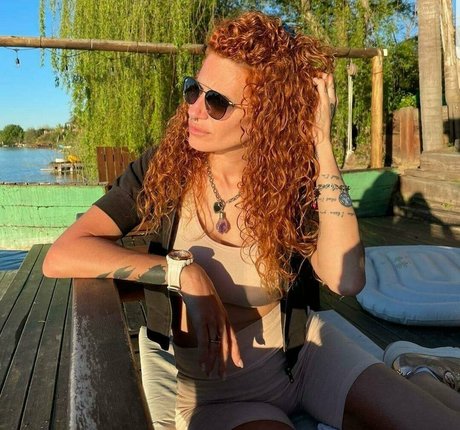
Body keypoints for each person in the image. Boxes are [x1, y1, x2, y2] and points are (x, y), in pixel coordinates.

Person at [43, 11, 460, 430]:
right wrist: (181, 273)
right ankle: (416, 372)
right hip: (221, 393)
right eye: (193, 89)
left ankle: (415, 369)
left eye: (216, 102)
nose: (194, 110)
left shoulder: (289, 181)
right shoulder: (165, 168)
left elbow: (345, 279)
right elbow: (61, 255)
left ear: (266, 114)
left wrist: (321, 144)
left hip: (307, 356)